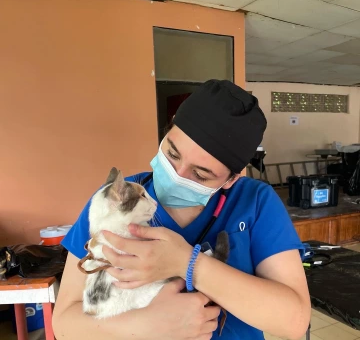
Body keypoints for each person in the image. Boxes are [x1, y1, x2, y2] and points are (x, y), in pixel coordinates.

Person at [53, 80, 310, 340]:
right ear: (168, 129)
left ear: (231, 179)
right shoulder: (114, 203)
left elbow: (294, 322)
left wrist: (188, 263)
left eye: (200, 174)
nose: (177, 175)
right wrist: (144, 327)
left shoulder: (255, 202)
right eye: (172, 154)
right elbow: (64, 325)